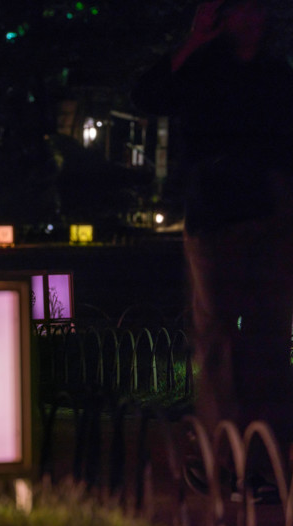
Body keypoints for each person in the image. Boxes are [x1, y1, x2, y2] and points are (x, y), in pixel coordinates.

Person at [132, 0, 293, 499]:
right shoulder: (206, 69)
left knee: (266, 340)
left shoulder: (275, 74)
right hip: (216, 214)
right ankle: (221, 460)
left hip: (271, 213)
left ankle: (264, 465)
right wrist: (195, 40)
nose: (252, 17)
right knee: (219, 339)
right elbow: (148, 95)